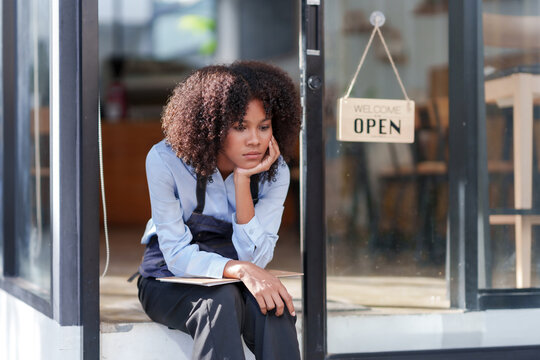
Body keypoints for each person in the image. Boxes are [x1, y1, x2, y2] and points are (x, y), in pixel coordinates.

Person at [135, 61, 302, 360]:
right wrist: (240, 269)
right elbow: (175, 255)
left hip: (238, 277)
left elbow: (255, 257)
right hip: (167, 280)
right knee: (218, 300)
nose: (255, 139)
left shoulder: (276, 173)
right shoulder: (164, 161)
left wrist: (242, 181)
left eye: (264, 127)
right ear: (210, 126)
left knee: (274, 305)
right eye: (240, 127)